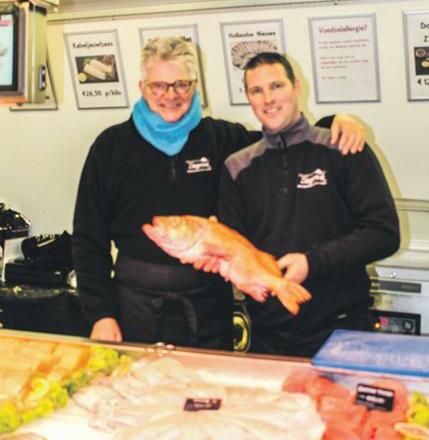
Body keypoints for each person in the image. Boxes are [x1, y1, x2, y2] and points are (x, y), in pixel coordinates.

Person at [72, 37, 367, 350]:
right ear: (142, 87)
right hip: (135, 307)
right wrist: (100, 313)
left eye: (181, 85)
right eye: (159, 86)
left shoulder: (224, 139)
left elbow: (285, 141)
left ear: (195, 86)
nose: (171, 95)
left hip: (209, 307)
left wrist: (334, 123)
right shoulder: (111, 147)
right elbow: (88, 238)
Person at [217, 52, 400, 357]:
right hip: (270, 339)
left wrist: (311, 263)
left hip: (345, 332)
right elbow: (235, 248)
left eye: (277, 86)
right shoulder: (237, 167)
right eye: (257, 90)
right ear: (248, 98)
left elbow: (384, 233)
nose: (268, 99)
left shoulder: (343, 148)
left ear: (297, 87)